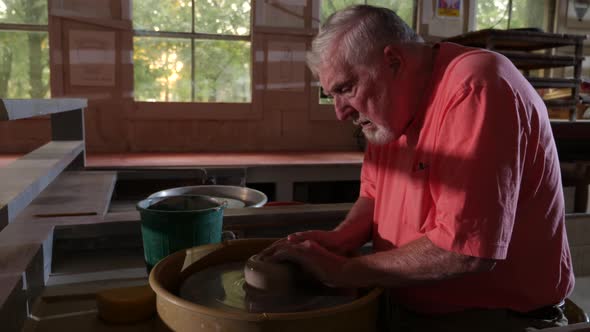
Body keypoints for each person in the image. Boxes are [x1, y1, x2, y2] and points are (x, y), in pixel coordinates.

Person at [260, 4, 575, 332]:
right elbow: (373, 194)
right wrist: (341, 239)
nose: (340, 113)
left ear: (393, 61)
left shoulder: (475, 87)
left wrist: (342, 271)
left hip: (495, 317)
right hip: (410, 302)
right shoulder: (389, 112)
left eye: (345, 88)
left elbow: (465, 252)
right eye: (331, 96)